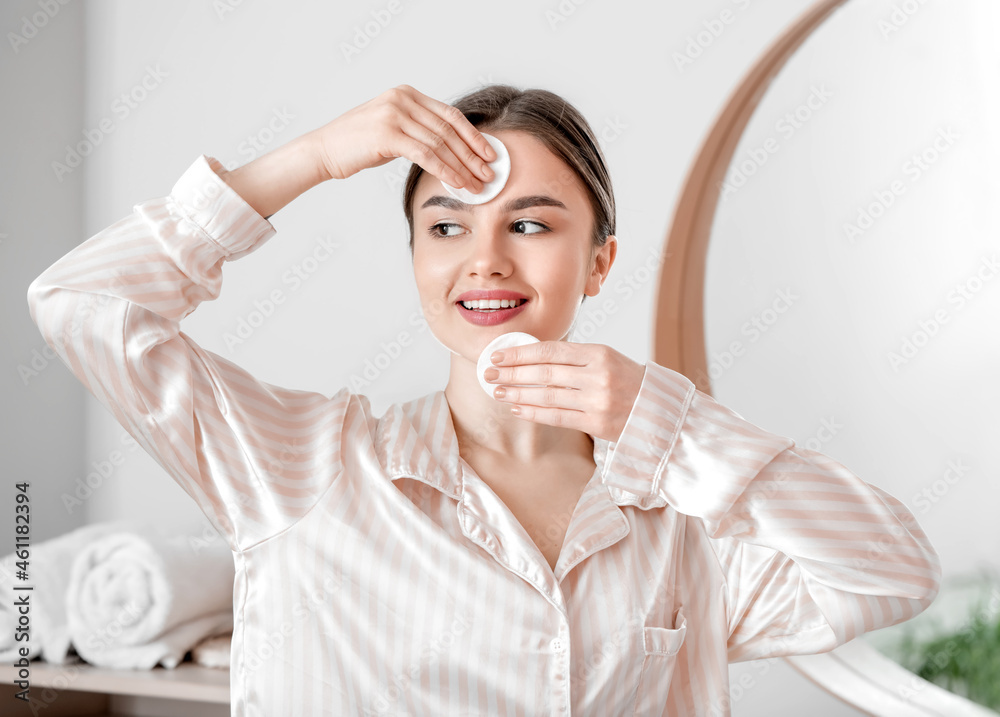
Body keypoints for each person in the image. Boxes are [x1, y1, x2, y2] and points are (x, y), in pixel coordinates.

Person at [27, 83, 941, 716]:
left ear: (599, 261)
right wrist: (313, 157)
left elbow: (893, 570)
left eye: (531, 223)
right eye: (447, 225)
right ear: (418, 256)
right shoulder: (299, 467)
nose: (486, 258)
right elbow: (82, 305)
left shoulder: (680, 528)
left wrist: (671, 424)